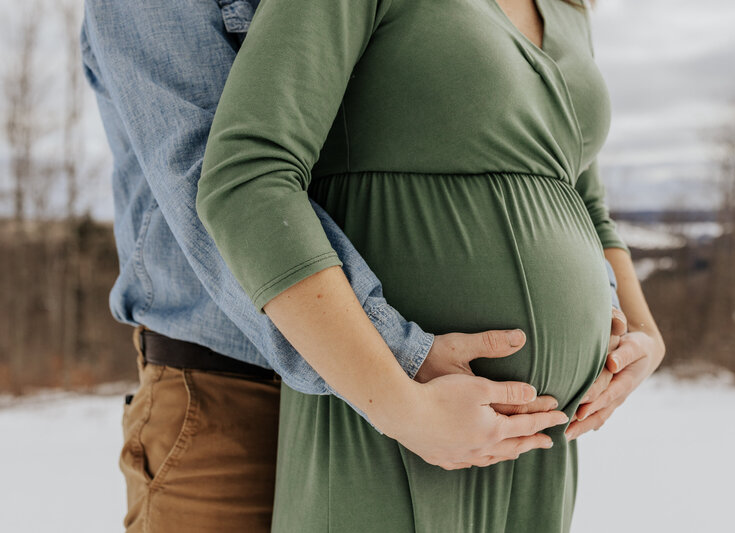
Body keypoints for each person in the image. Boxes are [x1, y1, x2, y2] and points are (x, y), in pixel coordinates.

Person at [80, 0, 634, 531]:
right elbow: (216, 179)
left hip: (428, 392)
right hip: (229, 388)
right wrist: (392, 360)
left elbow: (551, 168)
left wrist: (616, 315)